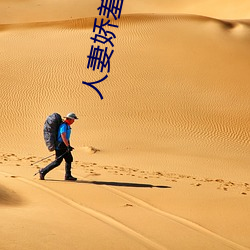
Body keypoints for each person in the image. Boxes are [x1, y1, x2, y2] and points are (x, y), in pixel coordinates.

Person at [39, 112, 78, 181]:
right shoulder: (64, 126)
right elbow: (63, 135)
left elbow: (66, 137)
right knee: (57, 162)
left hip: (64, 145)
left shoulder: (67, 125)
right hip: (61, 145)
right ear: (70, 119)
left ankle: (68, 175)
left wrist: (68, 145)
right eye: (73, 119)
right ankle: (43, 172)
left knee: (69, 159)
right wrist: (67, 146)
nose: (74, 121)